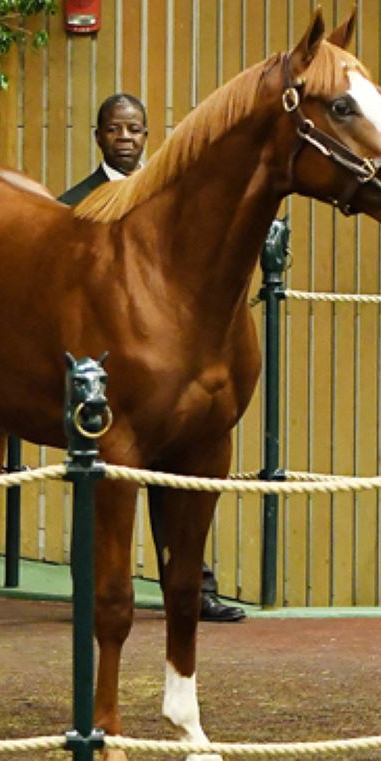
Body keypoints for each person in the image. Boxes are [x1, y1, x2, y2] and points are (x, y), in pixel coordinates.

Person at [58, 93, 246, 623]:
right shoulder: (72, 205)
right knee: (95, 477)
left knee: (182, 473)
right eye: (116, 130)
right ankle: (90, 590)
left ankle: (191, 588)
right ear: (99, 137)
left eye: (135, 130)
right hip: (100, 367)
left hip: (166, 360)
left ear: (147, 136)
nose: (126, 138)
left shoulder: (171, 197)